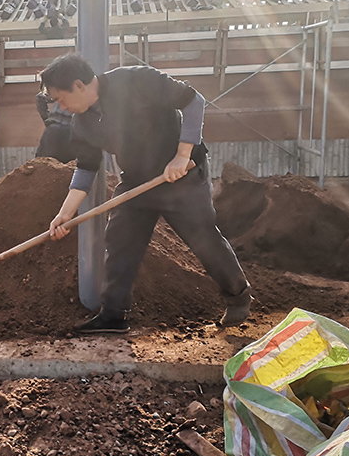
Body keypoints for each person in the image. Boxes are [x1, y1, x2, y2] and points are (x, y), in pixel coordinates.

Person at [41, 52, 250, 335]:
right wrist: (64, 214)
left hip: (182, 176)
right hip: (137, 182)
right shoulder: (83, 124)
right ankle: (114, 315)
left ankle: (238, 297)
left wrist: (182, 154)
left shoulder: (135, 80)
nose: (61, 107)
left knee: (202, 237)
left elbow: (193, 100)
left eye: (60, 98)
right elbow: (87, 169)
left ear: (78, 85)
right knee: (120, 239)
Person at [34, 90, 74, 164]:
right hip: (72, 131)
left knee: (41, 166)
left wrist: (47, 120)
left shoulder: (61, 86)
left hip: (53, 130)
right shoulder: (85, 89)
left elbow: (40, 97)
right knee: (72, 170)